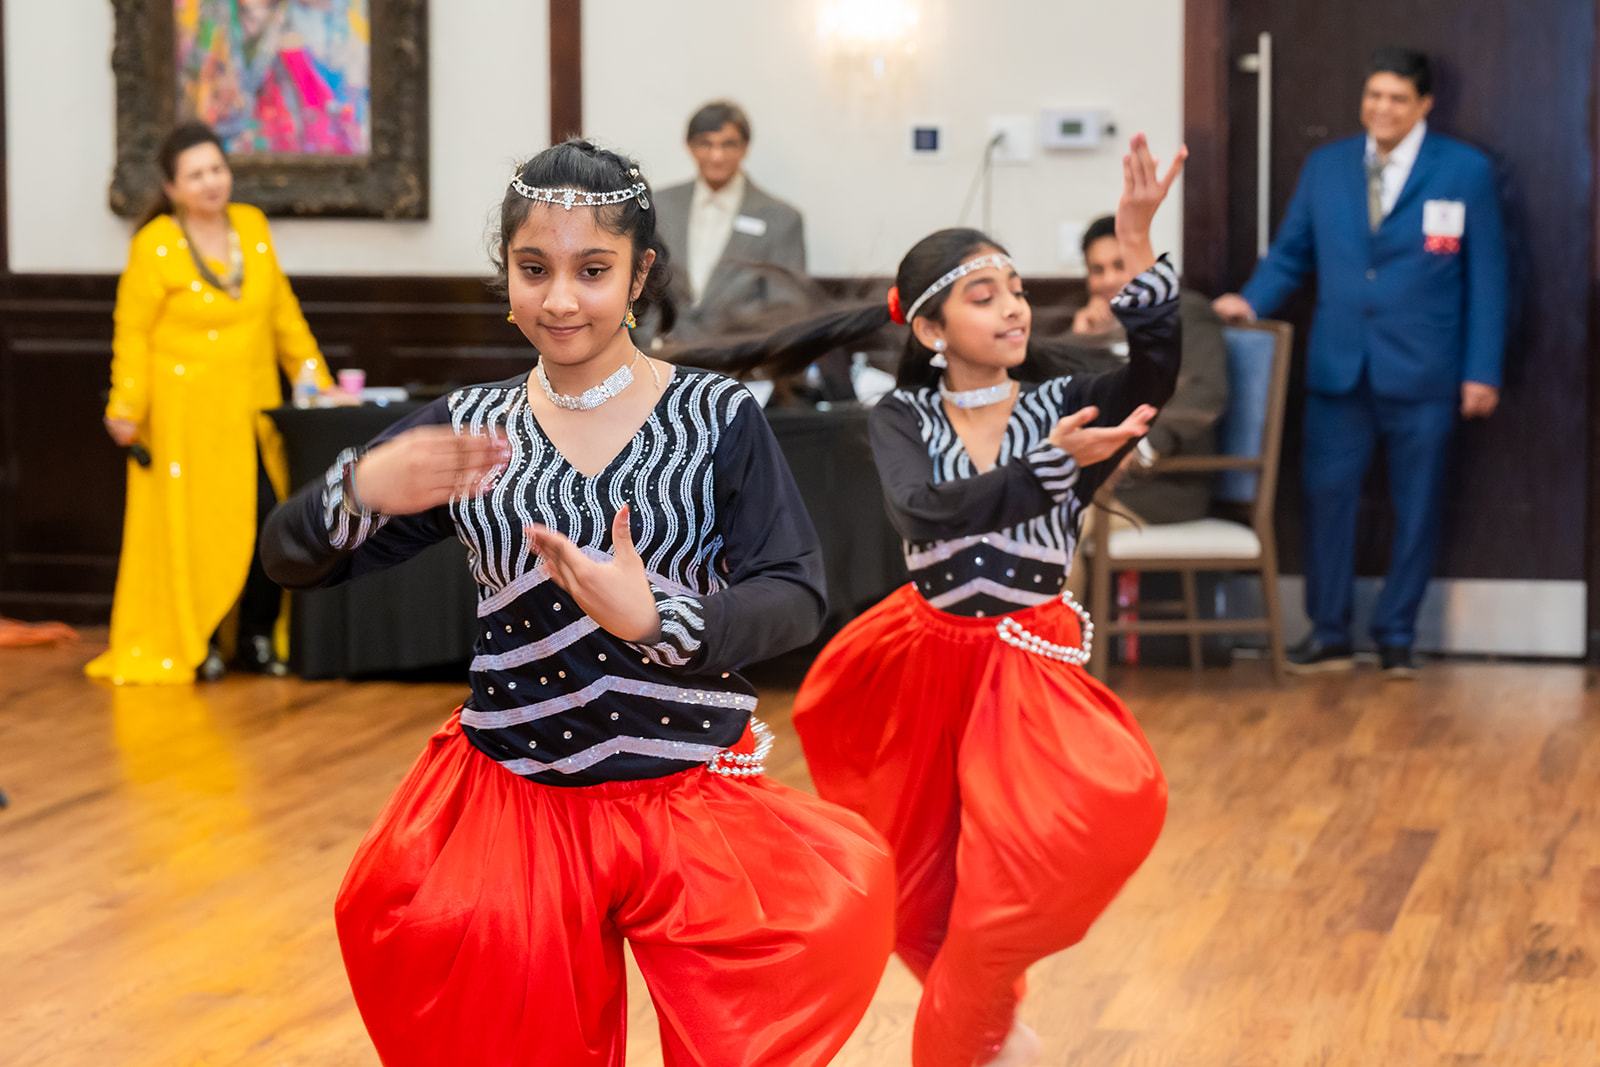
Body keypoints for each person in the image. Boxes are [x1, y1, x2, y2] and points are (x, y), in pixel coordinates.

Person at [260, 139, 894, 1067]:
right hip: (515, 806)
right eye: (534, 269)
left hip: (690, 802)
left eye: (592, 270)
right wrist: (358, 486)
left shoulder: (716, 417)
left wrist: (661, 619)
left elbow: (794, 593)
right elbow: (289, 558)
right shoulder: (471, 428)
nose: (560, 298)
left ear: (639, 273)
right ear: (507, 274)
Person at [675, 134, 1183, 1067]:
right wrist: (1045, 471)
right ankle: (984, 1025)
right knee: (921, 883)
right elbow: (925, 509)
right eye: (984, 295)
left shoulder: (1064, 403)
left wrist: (1141, 240)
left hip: (1027, 666)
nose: (1014, 307)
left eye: (1017, 289)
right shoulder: (903, 417)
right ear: (932, 330)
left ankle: (969, 1028)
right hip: (919, 661)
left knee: (1048, 856)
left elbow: (1153, 372)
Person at [1213, 47, 1509, 678]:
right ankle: (1329, 633)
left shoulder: (1464, 170)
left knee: (1418, 506)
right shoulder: (1327, 166)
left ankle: (1397, 635)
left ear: (1424, 105)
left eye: (1398, 98)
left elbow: (1489, 278)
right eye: (1374, 95)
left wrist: (1481, 370)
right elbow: (1291, 253)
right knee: (1327, 498)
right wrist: (1251, 301)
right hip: (1339, 367)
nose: (1383, 108)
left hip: (1426, 370)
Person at [88, 121, 334, 685]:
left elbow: (283, 316)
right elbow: (133, 333)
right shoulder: (155, 244)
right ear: (172, 188)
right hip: (184, 418)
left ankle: (254, 636)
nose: (210, 182)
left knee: (268, 518)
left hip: (251, 411)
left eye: (217, 169)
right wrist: (125, 406)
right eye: (195, 175)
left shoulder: (251, 226)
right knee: (196, 530)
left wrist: (315, 380)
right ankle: (196, 640)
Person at [1038, 213, 1229, 526]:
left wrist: (1136, 450)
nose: (1109, 280)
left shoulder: (1185, 313)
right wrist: (1081, 339)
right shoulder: (1091, 321)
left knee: (1050, 526)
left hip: (1161, 485)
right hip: (1087, 477)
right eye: (1097, 270)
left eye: (1120, 265)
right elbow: (1042, 384)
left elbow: (1203, 395)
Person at [651, 100, 809, 345]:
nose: (717, 156)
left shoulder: (780, 219)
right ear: (690, 147)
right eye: (706, 144)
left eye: (728, 144)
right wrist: (651, 338)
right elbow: (642, 283)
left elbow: (787, 306)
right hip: (665, 352)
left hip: (742, 355)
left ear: (745, 148)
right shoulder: (660, 206)